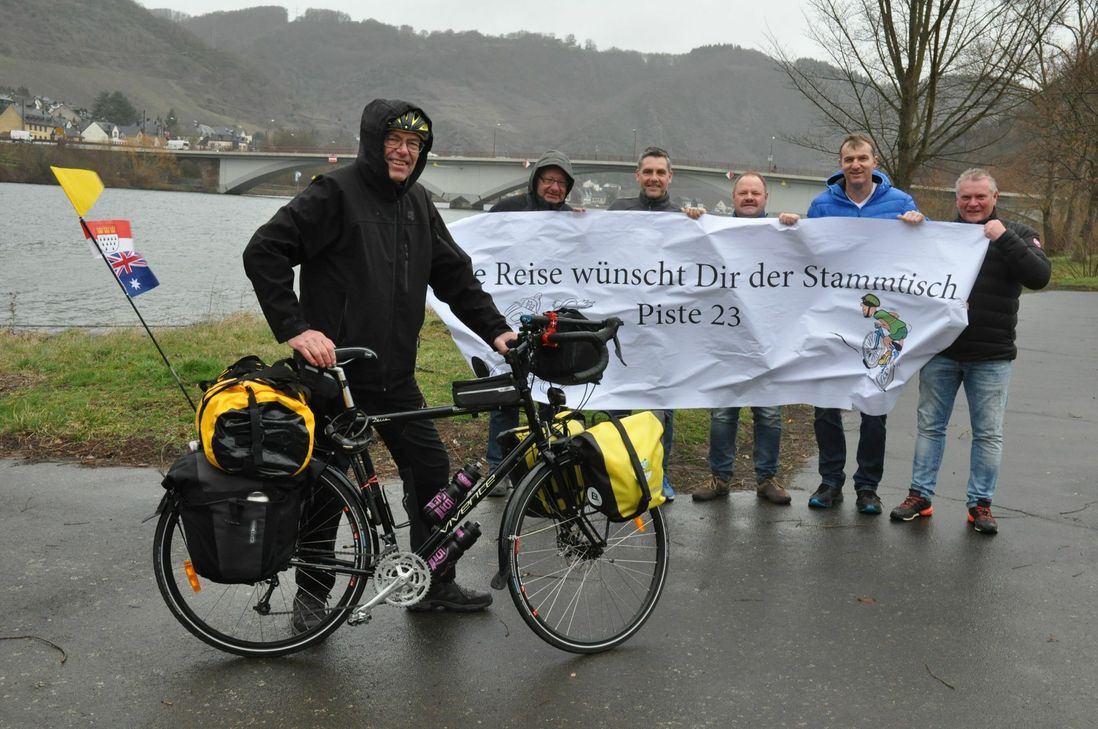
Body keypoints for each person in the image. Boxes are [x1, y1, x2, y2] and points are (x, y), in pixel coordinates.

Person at [243, 99, 515, 623]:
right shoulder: (335, 193)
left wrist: (499, 331)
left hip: (395, 376)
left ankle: (436, 580)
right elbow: (264, 251)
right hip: (334, 377)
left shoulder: (417, 205)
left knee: (431, 469)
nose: (404, 151)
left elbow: (456, 276)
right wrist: (297, 329)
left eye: (415, 144)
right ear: (373, 142)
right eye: (395, 141)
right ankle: (312, 599)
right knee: (329, 487)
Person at [890, 168, 1050, 534]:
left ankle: (981, 505)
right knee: (930, 427)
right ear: (956, 199)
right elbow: (899, 267)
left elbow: (1040, 276)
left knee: (988, 433)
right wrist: (910, 229)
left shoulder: (1019, 234)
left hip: (992, 354)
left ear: (995, 198)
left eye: (980, 197)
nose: (973, 203)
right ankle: (920, 496)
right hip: (941, 351)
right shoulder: (939, 235)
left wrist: (1004, 237)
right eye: (966, 197)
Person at [805, 133, 925, 515]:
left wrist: (920, 224)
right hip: (832, 318)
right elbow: (803, 256)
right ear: (840, 164)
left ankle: (868, 486)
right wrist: (790, 227)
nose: (855, 165)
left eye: (861, 158)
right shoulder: (822, 205)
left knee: (875, 406)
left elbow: (928, 253)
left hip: (879, 320)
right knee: (826, 405)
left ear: (874, 161)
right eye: (848, 159)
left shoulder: (900, 202)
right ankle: (830, 480)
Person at [694, 172, 800, 504]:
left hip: (769, 342)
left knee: (768, 414)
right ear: (734, 197)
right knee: (723, 413)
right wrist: (692, 222)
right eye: (743, 193)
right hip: (727, 339)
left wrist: (796, 226)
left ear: (767, 197)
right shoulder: (715, 231)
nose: (749, 197)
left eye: (756, 192)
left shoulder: (781, 232)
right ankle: (720, 477)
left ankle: (767, 478)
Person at [608, 146, 705, 501]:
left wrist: (700, 224)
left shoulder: (682, 216)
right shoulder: (616, 211)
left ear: (669, 177)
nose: (653, 178)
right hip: (622, 326)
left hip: (663, 329)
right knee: (616, 404)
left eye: (660, 172)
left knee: (660, 407)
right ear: (637, 176)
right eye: (647, 172)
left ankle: (657, 475)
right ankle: (616, 475)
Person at [485, 150, 580, 495]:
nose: (554, 187)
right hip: (514, 321)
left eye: (561, 182)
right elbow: (484, 244)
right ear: (536, 181)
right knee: (509, 392)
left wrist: (590, 227)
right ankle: (498, 466)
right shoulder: (508, 210)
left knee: (549, 397)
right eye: (548, 180)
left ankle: (547, 465)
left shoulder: (573, 218)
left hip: (553, 324)